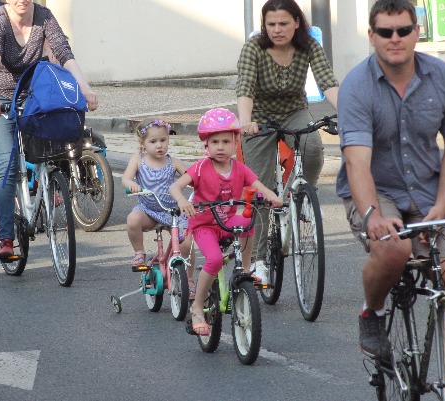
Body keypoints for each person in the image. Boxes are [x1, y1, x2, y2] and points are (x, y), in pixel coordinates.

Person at [336, 0, 445, 388]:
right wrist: (373, 216)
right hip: (377, 190)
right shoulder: (357, 86)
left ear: (416, 32)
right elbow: (357, 161)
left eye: (403, 30)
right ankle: (372, 312)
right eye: (385, 32)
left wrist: (441, 206)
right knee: (393, 248)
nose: (394, 38)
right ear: (371, 36)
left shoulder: (441, 77)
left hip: (429, 191)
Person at [0, 0, 98, 261]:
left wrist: (85, 88)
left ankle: (48, 188)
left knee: (53, 144)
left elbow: (64, 54)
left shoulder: (44, 16)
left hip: (32, 97)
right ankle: (6, 237)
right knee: (7, 165)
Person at [235, 0, 339, 283]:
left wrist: (349, 115)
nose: (277, 30)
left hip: (294, 111)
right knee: (259, 188)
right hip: (259, 117)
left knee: (312, 146)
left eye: (283, 23)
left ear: (296, 23)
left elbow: (328, 82)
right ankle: (258, 261)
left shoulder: (309, 46)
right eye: (271, 24)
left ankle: (299, 197)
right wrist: (245, 120)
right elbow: (245, 88)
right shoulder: (254, 47)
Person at [169, 108, 282, 336]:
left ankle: (246, 269)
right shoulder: (200, 168)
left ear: (235, 143)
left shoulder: (239, 168)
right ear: (206, 144)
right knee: (215, 260)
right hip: (204, 226)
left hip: (228, 220)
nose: (220, 147)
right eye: (214, 142)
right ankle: (197, 307)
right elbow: (175, 187)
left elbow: (258, 185)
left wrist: (271, 196)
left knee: (248, 223)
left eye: (225, 142)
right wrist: (182, 200)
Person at [122, 118, 194, 288]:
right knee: (133, 220)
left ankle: (189, 279)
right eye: (153, 141)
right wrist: (131, 185)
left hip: (172, 212)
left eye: (163, 140)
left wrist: (197, 182)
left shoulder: (173, 162)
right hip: (148, 211)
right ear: (143, 144)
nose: (159, 145)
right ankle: (139, 252)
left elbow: (191, 176)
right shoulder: (138, 160)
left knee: (187, 243)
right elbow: (125, 178)